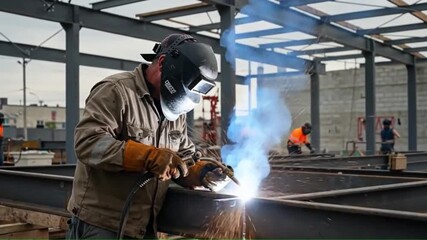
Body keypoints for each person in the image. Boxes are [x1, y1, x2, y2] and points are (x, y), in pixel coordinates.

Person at [67, 33, 232, 239]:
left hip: (145, 226)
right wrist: (148, 156)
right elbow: (88, 143)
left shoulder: (174, 111)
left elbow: (182, 159)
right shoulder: (116, 91)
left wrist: (202, 172)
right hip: (102, 225)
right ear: (162, 63)